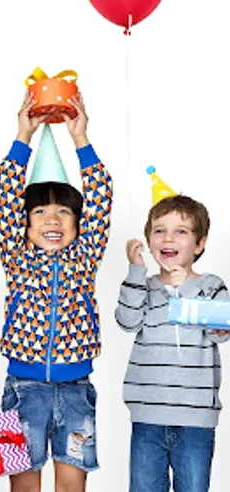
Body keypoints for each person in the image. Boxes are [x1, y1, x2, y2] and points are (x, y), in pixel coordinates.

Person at [0, 91, 113, 492]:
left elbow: (101, 197)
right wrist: (23, 137)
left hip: (76, 389)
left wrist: (80, 138)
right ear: (24, 225)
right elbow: (6, 194)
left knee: (71, 486)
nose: (52, 219)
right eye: (40, 212)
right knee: (25, 487)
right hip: (23, 389)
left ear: (78, 224)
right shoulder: (17, 257)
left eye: (64, 211)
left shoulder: (85, 257)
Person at [116, 194, 230, 492]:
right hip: (147, 416)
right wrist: (135, 271)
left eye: (181, 231)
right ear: (149, 241)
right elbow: (127, 322)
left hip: (196, 420)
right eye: (159, 230)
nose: (168, 238)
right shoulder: (144, 286)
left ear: (200, 244)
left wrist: (188, 289)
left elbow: (222, 331)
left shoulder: (210, 286)